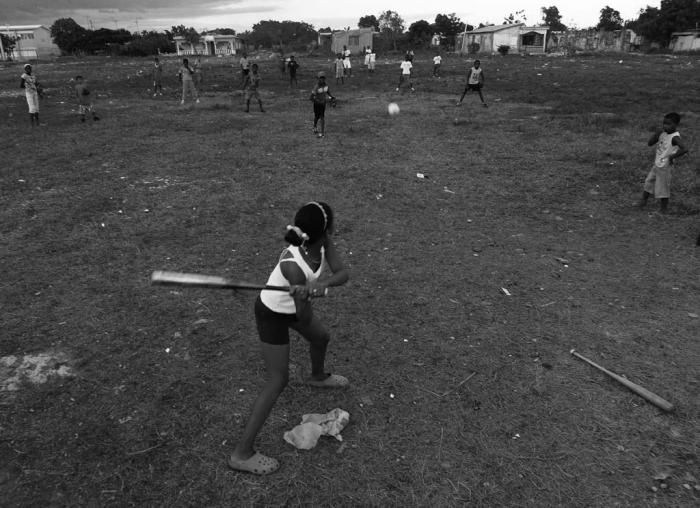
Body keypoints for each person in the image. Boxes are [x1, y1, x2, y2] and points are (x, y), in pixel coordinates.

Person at [228, 201, 350, 475]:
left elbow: (343, 273)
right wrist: (305, 295)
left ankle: (316, 377)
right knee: (277, 380)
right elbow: (303, 317)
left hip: (295, 307)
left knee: (321, 338)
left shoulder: (323, 243)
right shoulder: (292, 265)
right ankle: (241, 453)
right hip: (272, 313)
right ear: (327, 227)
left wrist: (321, 285)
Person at [638, 112, 688, 213]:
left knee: (663, 187)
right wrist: (656, 134)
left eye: (669, 124)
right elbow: (649, 143)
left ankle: (663, 209)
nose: (665, 126)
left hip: (665, 167)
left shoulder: (675, 137)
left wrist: (672, 157)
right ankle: (643, 202)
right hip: (657, 164)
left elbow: (685, 149)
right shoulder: (662, 133)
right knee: (648, 182)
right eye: (664, 123)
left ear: (676, 125)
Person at [310, 72, 335, 138]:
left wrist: (332, 97)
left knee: (322, 117)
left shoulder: (326, 86)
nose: (322, 80)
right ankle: (315, 126)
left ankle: (322, 133)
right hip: (317, 104)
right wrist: (316, 101)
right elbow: (311, 97)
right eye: (320, 78)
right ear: (318, 79)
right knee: (316, 117)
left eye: (323, 78)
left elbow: (328, 92)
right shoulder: (316, 87)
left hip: (323, 104)